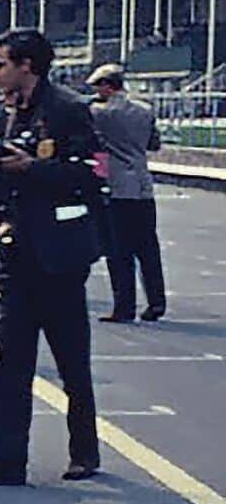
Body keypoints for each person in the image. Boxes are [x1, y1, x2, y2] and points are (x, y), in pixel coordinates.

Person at [0, 29, 104, 486]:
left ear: (27, 65)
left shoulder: (67, 110)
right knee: (10, 362)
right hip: (18, 259)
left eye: (1, 65)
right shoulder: (9, 112)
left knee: (71, 363)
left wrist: (33, 168)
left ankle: (85, 453)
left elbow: (88, 174)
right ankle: (5, 460)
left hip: (59, 257)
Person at [88, 63, 165, 323]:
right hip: (143, 185)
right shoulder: (145, 110)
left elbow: (92, 143)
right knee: (148, 248)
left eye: (98, 86)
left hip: (116, 185)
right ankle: (156, 302)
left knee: (119, 250)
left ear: (108, 85)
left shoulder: (99, 113)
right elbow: (154, 144)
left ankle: (124, 307)